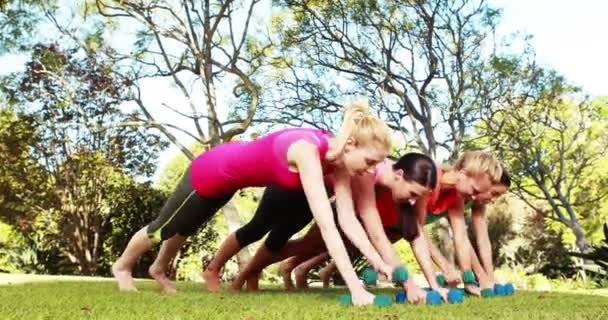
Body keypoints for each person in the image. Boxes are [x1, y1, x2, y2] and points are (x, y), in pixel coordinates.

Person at [112, 100, 394, 306]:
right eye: (370, 161)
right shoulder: (308, 151)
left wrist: (379, 261)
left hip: (232, 180)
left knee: (185, 226)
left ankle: (157, 269)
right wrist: (356, 289)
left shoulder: (339, 165)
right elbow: (327, 225)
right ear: (349, 146)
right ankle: (123, 266)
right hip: (211, 171)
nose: (371, 171)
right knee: (164, 227)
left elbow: (347, 220)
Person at [230, 153, 437, 304]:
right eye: (412, 193)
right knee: (301, 245)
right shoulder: (372, 170)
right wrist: (410, 285)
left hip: (338, 204)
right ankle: (246, 273)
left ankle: (256, 272)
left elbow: (415, 235)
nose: (412, 202)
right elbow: (377, 235)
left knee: (306, 247)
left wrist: (434, 286)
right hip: (302, 189)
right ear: (399, 174)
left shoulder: (398, 185)